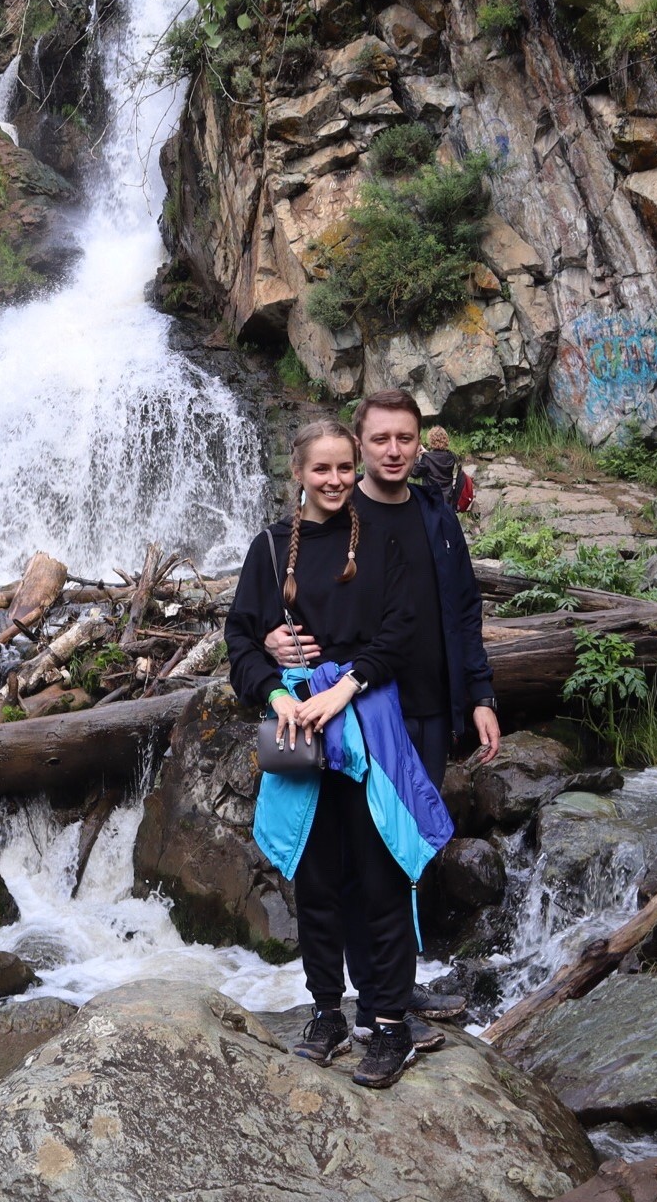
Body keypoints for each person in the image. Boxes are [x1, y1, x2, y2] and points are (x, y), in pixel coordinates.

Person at [265, 390, 503, 1041]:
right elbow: (292, 607)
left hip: (431, 709)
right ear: (359, 446)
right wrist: (272, 644)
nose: (393, 451)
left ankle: (395, 989)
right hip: (365, 714)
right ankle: (375, 997)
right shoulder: (343, 520)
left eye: (405, 438)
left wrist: (480, 696)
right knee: (358, 858)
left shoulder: (433, 513)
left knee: (402, 853)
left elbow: (462, 610)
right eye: (380, 440)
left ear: (421, 442)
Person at [226, 418, 453, 1090]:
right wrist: (275, 694)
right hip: (298, 726)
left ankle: (387, 1023)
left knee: (380, 874)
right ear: (297, 472)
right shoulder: (269, 551)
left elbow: (402, 633)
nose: (332, 481)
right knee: (317, 877)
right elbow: (238, 640)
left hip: (368, 722)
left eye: (341, 468)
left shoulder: (383, 541)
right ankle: (327, 1010)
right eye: (319, 469)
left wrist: (344, 688)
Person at [412, 425, 471, 513]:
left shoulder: (428, 459)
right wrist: (427, 454)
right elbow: (439, 461)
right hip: (448, 501)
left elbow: (414, 473)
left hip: (431, 501)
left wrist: (417, 457)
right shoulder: (452, 457)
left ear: (431, 440)